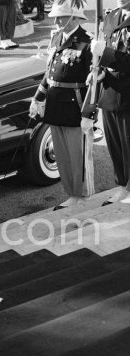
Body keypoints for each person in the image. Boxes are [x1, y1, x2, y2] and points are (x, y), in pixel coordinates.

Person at [29, 1, 93, 210]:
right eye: (56, 17)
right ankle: (71, 193)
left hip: (75, 106)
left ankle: (82, 195)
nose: (56, 21)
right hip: (55, 104)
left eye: (61, 17)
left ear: (74, 18)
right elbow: (50, 73)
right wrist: (38, 98)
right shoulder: (57, 37)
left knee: (78, 155)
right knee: (62, 155)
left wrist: (89, 113)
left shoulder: (86, 42)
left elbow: (94, 82)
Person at [90, 0, 130, 205]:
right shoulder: (111, 16)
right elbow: (101, 52)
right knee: (115, 145)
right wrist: (98, 71)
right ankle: (123, 188)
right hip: (110, 91)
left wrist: (106, 55)